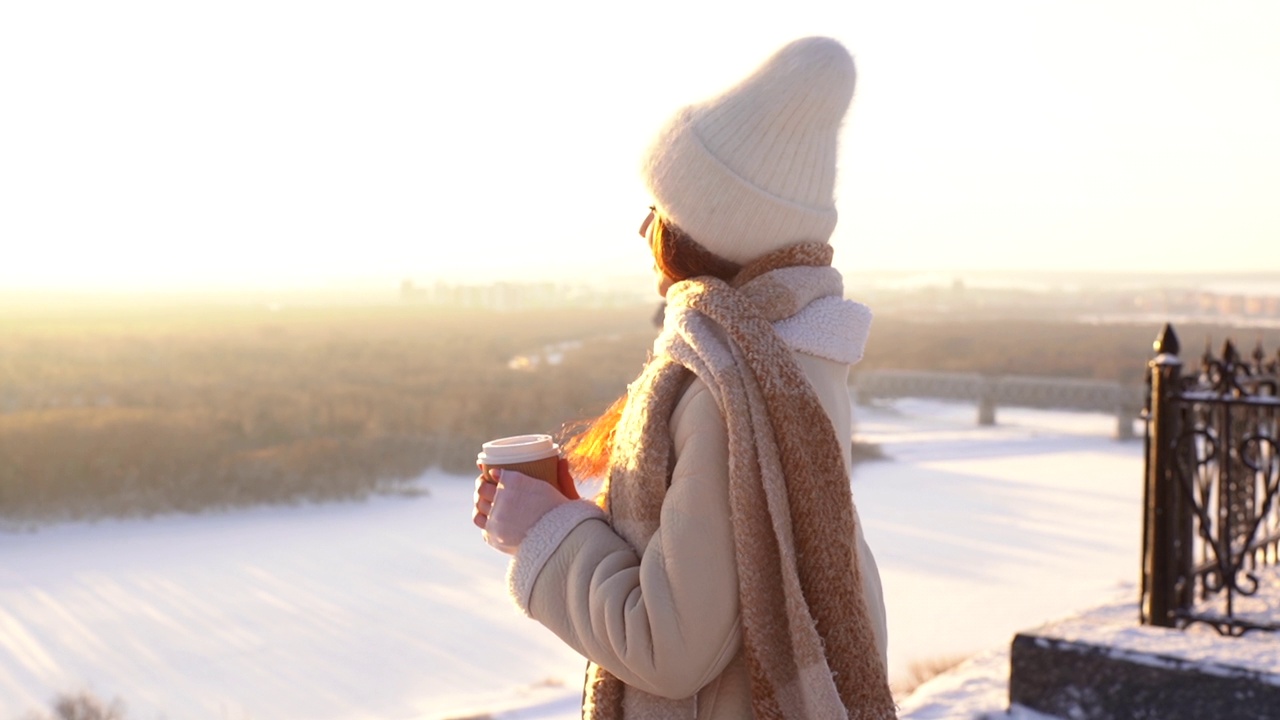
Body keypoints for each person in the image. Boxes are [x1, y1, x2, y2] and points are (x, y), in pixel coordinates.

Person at [472, 36, 895, 719]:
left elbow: (670, 647)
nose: (645, 227)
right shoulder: (794, 363)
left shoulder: (729, 391)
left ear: (707, 232)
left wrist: (547, 533)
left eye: (662, 209)